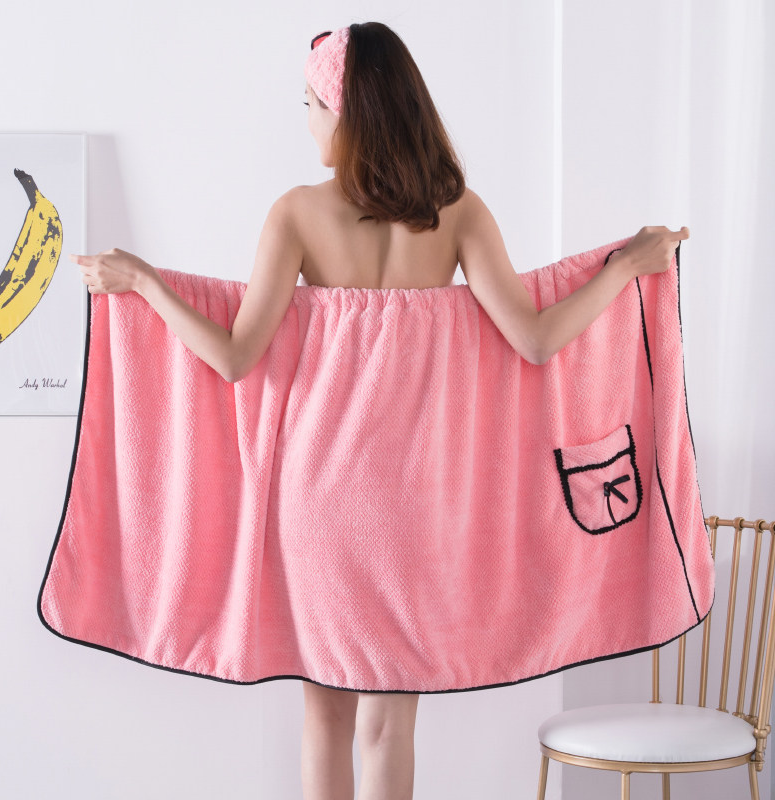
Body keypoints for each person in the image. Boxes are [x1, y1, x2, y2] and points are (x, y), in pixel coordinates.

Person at [69, 20, 689, 800]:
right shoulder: (457, 212)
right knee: (391, 726)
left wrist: (144, 283)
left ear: (348, 112)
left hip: (318, 499)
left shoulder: (296, 214)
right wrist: (625, 269)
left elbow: (233, 357)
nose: (306, 120)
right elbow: (535, 341)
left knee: (324, 718)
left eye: (312, 104)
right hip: (417, 506)